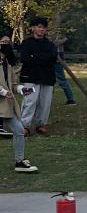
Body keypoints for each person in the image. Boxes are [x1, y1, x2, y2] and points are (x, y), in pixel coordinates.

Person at [1, 34, 38, 172]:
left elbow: (13, 85)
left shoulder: (7, 64)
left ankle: (19, 162)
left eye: (7, 42)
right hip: (3, 101)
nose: (5, 45)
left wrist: (22, 89)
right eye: (3, 42)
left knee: (19, 130)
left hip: (6, 105)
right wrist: (3, 92)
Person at [18, 17, 58, 135]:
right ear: (33, 28)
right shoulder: (26, 43)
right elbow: (25, 58)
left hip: (47, 77)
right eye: (39, 27)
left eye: (43, 27)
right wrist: (41, 58)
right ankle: (24, 125)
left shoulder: (50, 45)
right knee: (30, 101)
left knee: (45, 102)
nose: (41, 29)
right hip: (30, 77)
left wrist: (35, 56)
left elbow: (52, 59)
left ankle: (41, 124)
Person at [52, 32, 76, 106]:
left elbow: (61, 41)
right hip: (50, 60)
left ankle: (70, 100)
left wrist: (55, 41)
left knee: (61, 80)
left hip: (57, 61)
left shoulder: (59, 34)